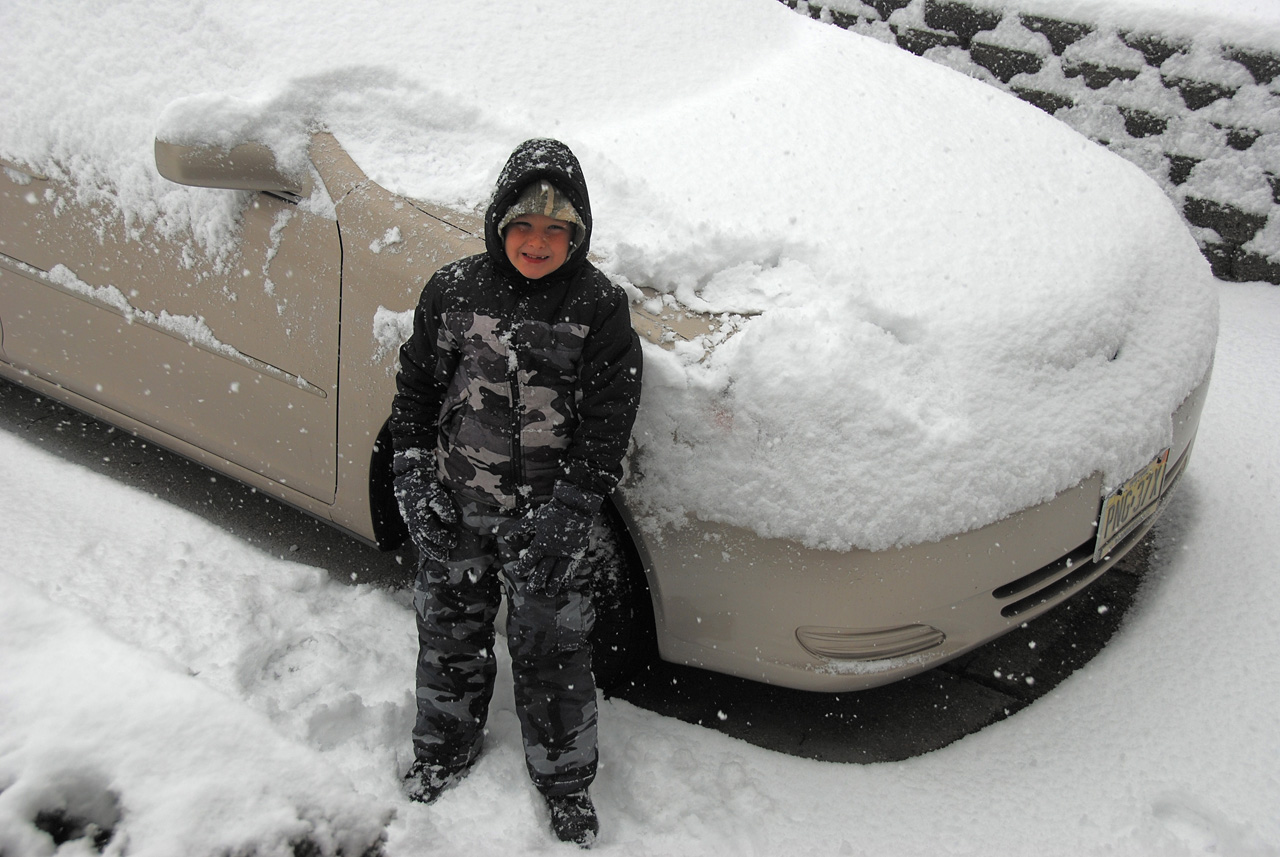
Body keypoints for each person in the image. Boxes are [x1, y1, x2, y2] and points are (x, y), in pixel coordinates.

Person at [389, 138, 643, 848]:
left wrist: (571, 512)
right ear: (499, 226)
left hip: (548, 522)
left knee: (555, 652)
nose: (537, 243)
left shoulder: (599, 308)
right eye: (523, 227)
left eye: (555, 231)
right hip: (458, 506)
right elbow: (415, 389)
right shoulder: (455, 290)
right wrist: (413, 474)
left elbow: (606, 424)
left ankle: (565, 783)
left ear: (578, 234)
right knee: (449, 635)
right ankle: (442, 748)